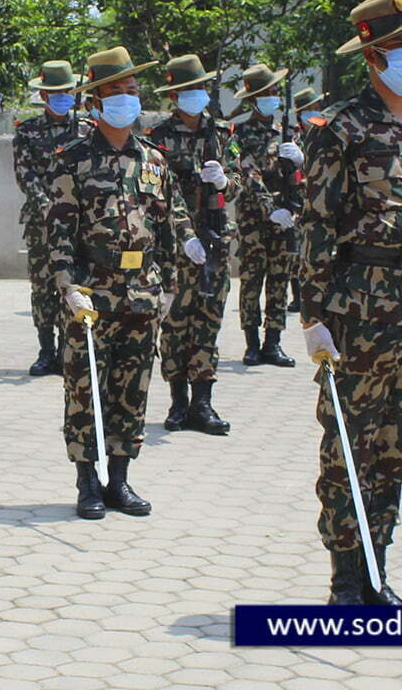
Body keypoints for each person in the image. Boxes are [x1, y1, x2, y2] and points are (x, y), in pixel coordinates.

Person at [300, 0, 402, 603]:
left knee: (399, 441)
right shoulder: (340, 128)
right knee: (350, 443)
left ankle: (377, 569)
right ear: (375, 55)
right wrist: (314, 317)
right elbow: (315, 228)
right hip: (360, 309)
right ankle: (345, 578)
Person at [50, 46, 199, 518]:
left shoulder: (153, 160)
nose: (128, 101)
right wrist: (66, 285)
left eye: (133, 92)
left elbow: (173, 225)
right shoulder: (72, 159)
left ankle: (120, 479)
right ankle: (87, 482)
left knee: (131, 388)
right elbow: (56, 231)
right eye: (117, 93)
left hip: (143, 292)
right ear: (95, 102)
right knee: (85, 389)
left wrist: (172, 286)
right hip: (91, 294)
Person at [147, 54, 236, 435]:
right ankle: (178, 401)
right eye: (187, 90)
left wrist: (224, 183)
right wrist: (184, 236)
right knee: (176, 325)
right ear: (174, 96)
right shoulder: (160, 139)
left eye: (199, 88)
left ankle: (203, 403)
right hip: (176, 247)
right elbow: (161, 196)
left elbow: (240, 180)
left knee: (209, 322)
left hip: (215, 242)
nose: (194, 95)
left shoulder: (224, 134)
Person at [13, 60, 87, 376]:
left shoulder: (86, 129)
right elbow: (24, 173)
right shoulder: (28, 131)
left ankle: (71, 349)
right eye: (54, 93)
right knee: (43, 287)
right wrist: (47, 205)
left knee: (75, 284)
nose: (61, 97)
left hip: (79, 222)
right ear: (43, 97)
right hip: (41, 220)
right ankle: (46, 351)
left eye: (66, 91)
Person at [232, 63, 299, 368]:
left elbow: (305, 177)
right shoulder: (240, 132)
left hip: (285, 217)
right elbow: (247, 173)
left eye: (274, 92)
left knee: (279, 280)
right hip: (252, 220)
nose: (272, 97)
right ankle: (251, 344)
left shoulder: (290, 132)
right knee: (251, 280)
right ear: (252, 99)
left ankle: (273, 342)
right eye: (266, 93)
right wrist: (270, 210)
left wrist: (300, 161)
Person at [287, 87, 327, 314]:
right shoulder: (293, 136)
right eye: (307, 110)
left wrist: (305, 161)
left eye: (315, 108)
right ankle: (298, 297)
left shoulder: (326, 133)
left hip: (320, 203)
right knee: (296, 256)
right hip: (297, 204)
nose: (312, 112)